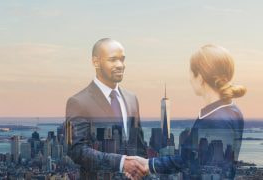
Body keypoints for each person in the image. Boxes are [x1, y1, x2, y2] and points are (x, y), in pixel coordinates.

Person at [134, 44, 246, 179]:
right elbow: (187, 159)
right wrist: (149, 164)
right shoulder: (231, 110)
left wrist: (148, 164)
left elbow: (210, 171)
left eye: (191, 72)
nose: (189, 78)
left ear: (200, 77)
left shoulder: (215, 119)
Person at [65, 38, 148, 180]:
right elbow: (76, 151)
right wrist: (121, 163)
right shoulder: (78, 101)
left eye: (122, 59)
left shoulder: (132, 99)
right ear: (96, 62)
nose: (120, 65)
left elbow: (139, 146)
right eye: (113, 59)